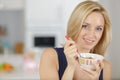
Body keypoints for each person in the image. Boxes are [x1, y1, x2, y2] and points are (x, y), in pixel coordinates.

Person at [40, 0, 112, 80]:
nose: (91, 34)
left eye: (98, 28)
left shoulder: (105, 67)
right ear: (75, 25)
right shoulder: (51, 56)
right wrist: (71, 67)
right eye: (85, 26)